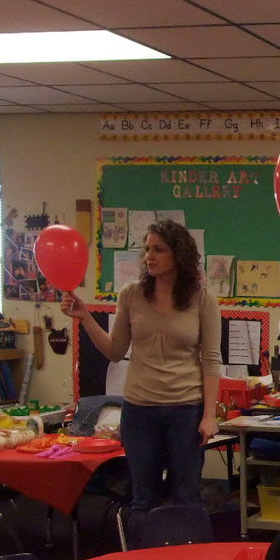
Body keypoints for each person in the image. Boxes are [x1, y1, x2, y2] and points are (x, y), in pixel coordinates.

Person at [61, 219, 221, 528]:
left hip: (185, 409)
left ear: (179, 254)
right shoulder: (131, 294)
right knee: (142, 498)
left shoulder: (202, 299)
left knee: (186, 496)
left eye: (158, 250)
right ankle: (141, 555)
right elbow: (115, 350)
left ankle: (186, 554)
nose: (149, 256)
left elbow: (211, 360)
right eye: (147, 249)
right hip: (139, 410)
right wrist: (85, 317)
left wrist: (209, 416)